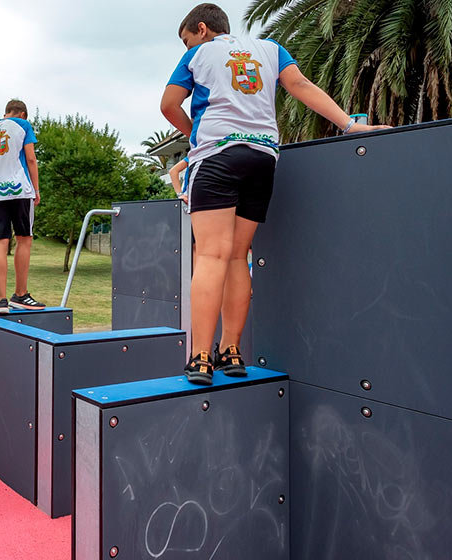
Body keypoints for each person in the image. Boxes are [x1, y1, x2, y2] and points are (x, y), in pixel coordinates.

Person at [159, 3, 389, 385]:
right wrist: (349, 125)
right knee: (237, 256)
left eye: (186, 40)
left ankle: (200, 358)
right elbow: (300, 86)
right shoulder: (270, 48)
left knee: (211, 255)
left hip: (217, 157)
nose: (187, 48)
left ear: (201, 29)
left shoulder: (199, 55)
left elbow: (169, 104)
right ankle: (231, 352)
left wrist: (194, 136)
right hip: (262, 159)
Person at [0, 98, 46, 313]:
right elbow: (31, 159)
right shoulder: (23, 125)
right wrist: (37, 189)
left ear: (5, 113)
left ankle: (1, 300)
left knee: (0, 243)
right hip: (19, 189)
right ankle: (21, 295)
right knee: (24, 238)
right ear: (23, 114)